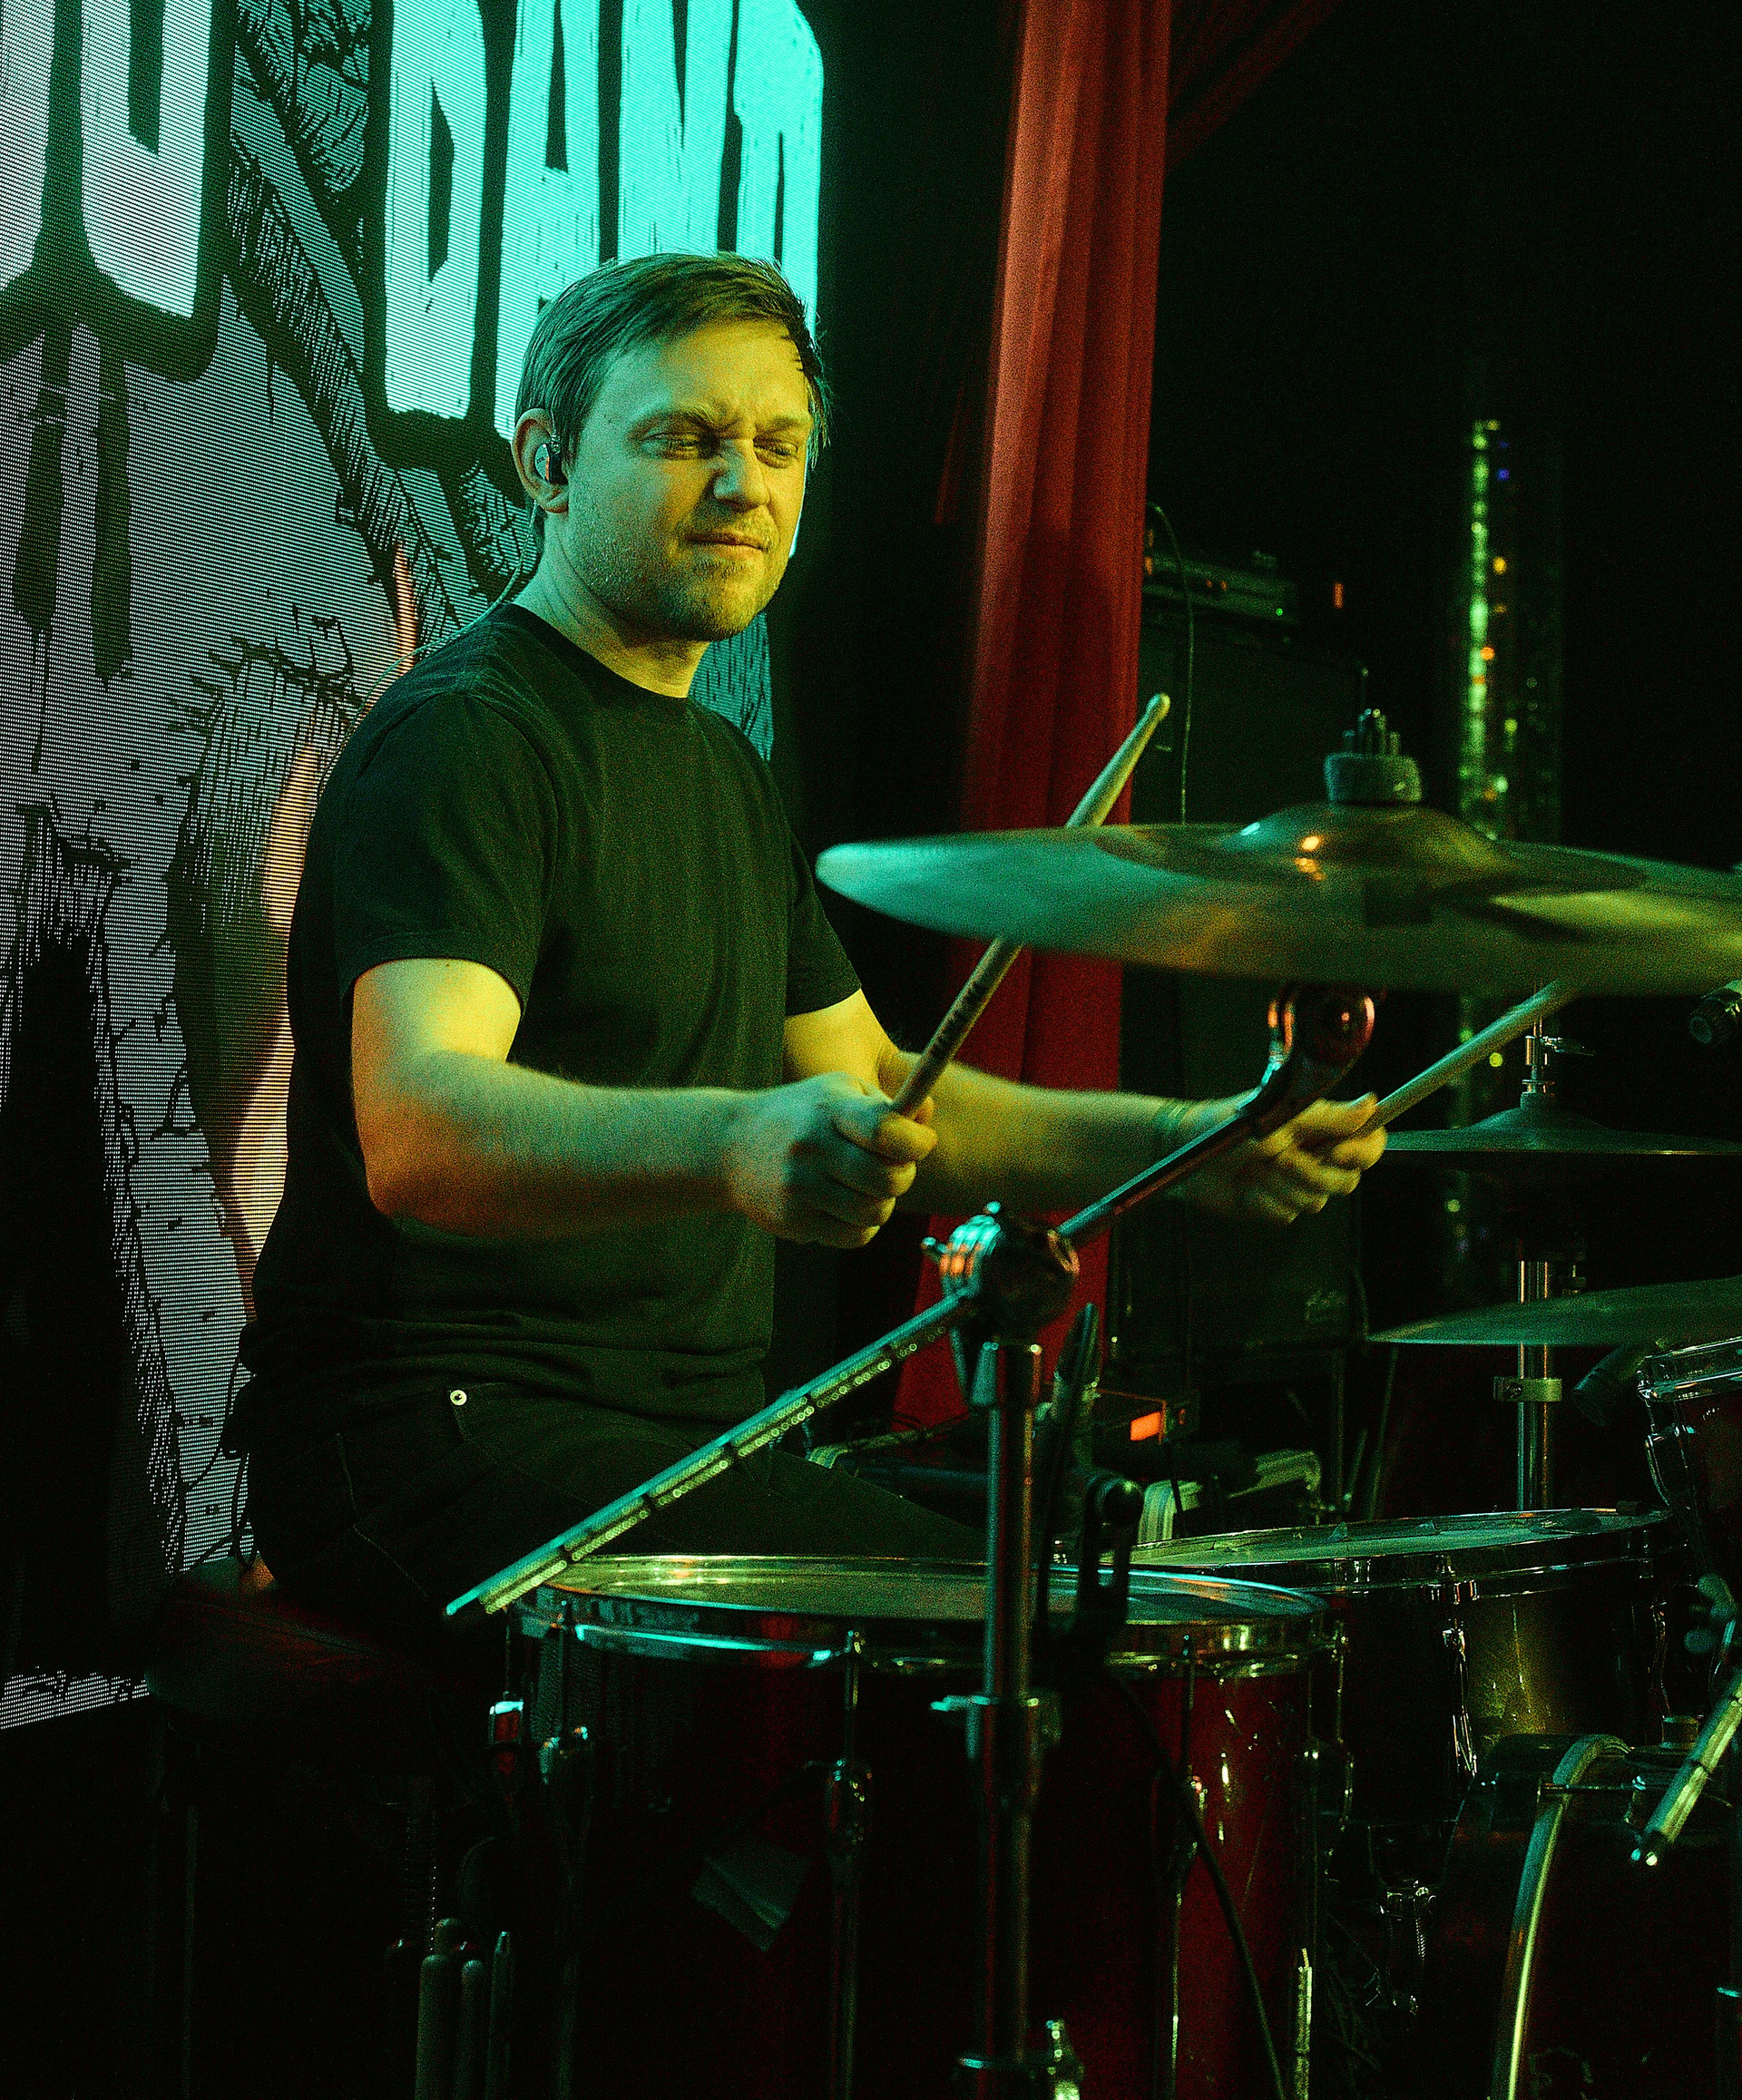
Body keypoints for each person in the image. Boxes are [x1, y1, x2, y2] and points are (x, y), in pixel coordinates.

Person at [232, 253, 1385, 1642]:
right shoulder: (470, 740)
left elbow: (886, 1092)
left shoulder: (722, 769)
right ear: (546, 461)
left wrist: (1191, 1141)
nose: (746, 487)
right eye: (686, 438)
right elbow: (424, 1130)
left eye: (778, 447)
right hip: (434, 1433)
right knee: (989, 1633)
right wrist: (735, 1141)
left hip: (671, 1438)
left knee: (1104, 1583)